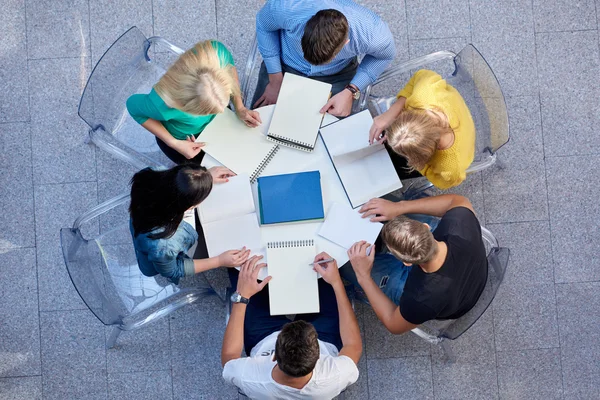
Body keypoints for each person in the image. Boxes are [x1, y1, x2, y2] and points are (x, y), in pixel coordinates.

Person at [340, 194, 487, 334]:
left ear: (406, 263)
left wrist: (363, 276)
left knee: (346, 265)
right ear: (426, 227)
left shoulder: (420, 298)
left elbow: (394, 324)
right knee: (379, 203)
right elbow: (457, 200)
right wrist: (400, 207)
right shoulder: (461, 224)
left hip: (453, 302)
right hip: (475, 271)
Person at [221, 253, 362, 399]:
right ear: (318, 357)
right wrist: (336, 282)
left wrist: (242, 296)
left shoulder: (249, 377)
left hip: (263, 336)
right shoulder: (338, 374)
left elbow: (229, 358)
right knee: (324, 268)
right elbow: (353, 345)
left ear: (274, 356)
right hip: (324, 335)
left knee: (244, 269)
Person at [126, 40, 262, 164]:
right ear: (185, 105)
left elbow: (229, 67)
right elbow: (132, 106)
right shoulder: (160, 105)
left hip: (219, 127)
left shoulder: (216, 53)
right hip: (186, 141)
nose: (221, 111)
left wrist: (239, 107)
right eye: (207, 111)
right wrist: (174, 143)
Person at [253, 0, 396, 117]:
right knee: (258, 119)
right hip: (283, 66)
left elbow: (383, 57)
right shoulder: (285, 7)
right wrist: (275, 80)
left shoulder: (373, 34)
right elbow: (264, 26)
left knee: (333, 137)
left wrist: (351, 91)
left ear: (346, 42)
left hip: (337, 75)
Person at [129, 164, 251, 284]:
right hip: (155, 259)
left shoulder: (152, 174)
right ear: (189, 206)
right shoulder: (164, 246)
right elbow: (173, 270)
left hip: (143, 226)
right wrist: (219, 261)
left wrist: (201, 179)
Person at [368, 69, 476, 189]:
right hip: (454, 108)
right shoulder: (423, 94)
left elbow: (446, 182)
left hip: (463, 140)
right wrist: (391, 114)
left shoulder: (450, 167)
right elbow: (420, 75)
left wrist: (422, 167)